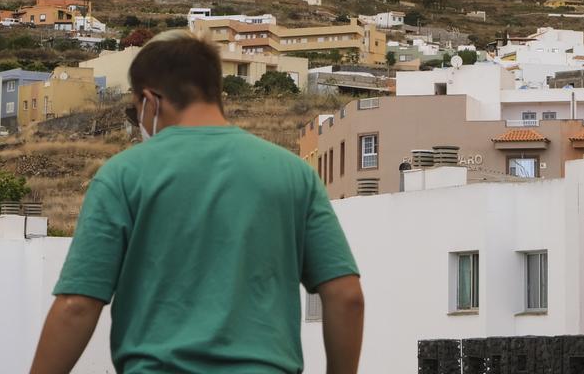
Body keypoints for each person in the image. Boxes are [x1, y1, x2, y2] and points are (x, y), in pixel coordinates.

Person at [30, 30, 364, 374]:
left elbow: (75, 306)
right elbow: (346, 297)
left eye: (135, 111)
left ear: (150, 100)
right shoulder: (295, 174)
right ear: (215, 92)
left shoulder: (122, 176)